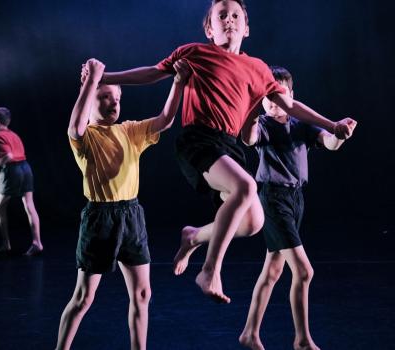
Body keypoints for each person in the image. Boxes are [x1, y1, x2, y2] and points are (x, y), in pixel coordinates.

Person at [99, 0, 356, 303]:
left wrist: (332, 123)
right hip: (199, 140)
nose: (229, 20)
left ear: (246, 29)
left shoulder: (258, 69)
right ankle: (210, 269)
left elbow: (290, 105)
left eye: (236, 16)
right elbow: (152, 73)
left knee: (253, 222)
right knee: (246, 186)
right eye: (221, 16)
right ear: (209, 28)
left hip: (230, 147)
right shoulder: (195, 53)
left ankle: (194, 236)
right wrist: (105, 77)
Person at [55, 58, 190, 350]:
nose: (112, 102)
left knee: (142, 294)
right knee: (83, 299)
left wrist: (178, 83)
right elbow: (75, 125)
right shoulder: (85, 137)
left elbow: (165, 119)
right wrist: (91, 80)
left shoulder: (130, 131)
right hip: (99, 219)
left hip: (131, 216)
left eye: (115, 97)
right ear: (90, 99)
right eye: (103, 97)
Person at [238, 66, 357, 350]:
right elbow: (249, 137)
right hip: (273, 200)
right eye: (268, 97)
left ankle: (250, 333)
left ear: (292, 96)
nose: (272, 102)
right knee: (304, 272)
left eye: (279, 96)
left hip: (295, 200)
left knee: (273, 272)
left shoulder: (301, 124)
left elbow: (329, 143)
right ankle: (302, 340)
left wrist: (341, 134)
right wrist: (254, 105)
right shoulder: (264, 125)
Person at [0, 107, 44, 256]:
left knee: (0, 206)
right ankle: (37, 243)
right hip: (26, 168)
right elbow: (16, 155)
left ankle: (6, 244)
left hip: (13, 171)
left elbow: (8, 157)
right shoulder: (14, 135)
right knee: (29, 205)